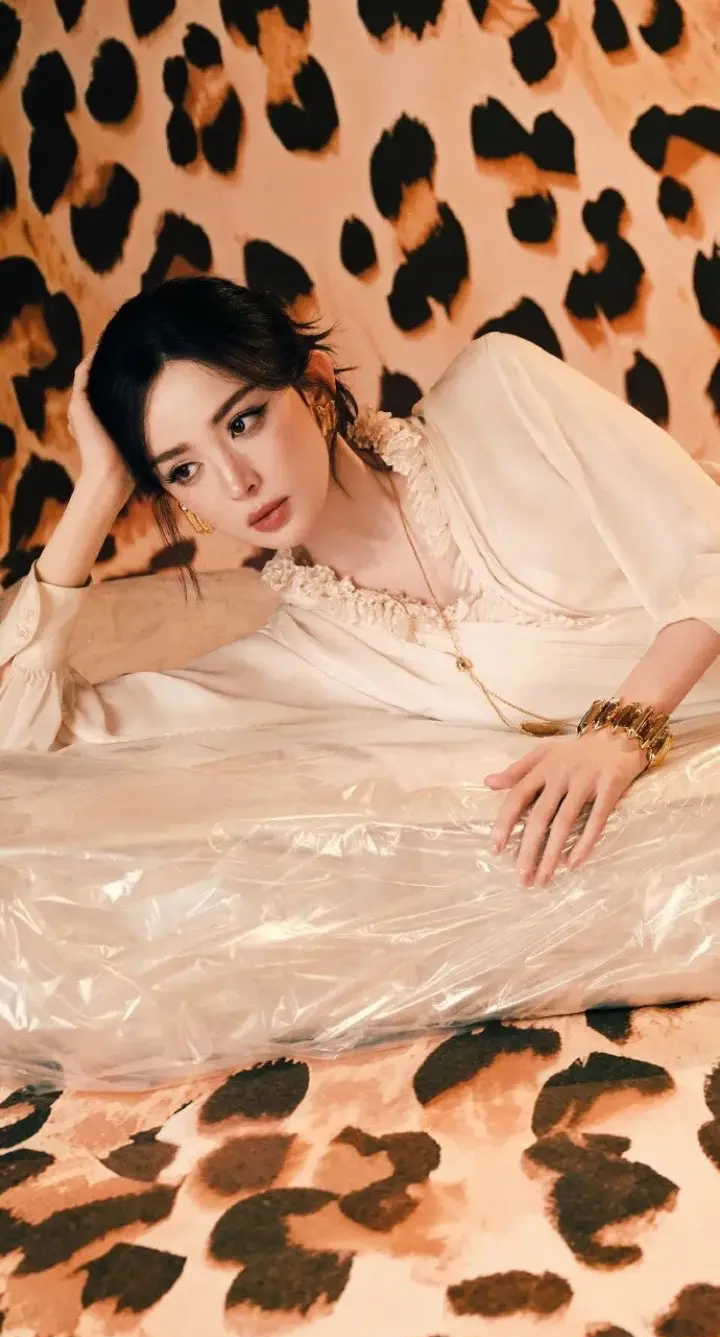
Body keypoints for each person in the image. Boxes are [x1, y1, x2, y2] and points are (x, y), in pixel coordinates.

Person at [2, 275, 720, 888]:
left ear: (314, 386)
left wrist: (621, 731)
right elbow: (20, 743)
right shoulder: (305, 655)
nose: (235, 480)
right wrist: (99, 490)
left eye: (244, 421)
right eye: (184, 469)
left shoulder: (502, 394)